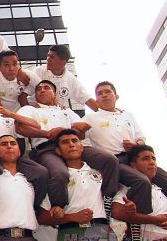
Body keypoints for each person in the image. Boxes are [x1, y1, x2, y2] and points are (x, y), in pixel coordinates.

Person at [16, 80, 119, 213]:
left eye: (46, 88)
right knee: (60, 174)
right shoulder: (28, 109)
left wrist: (63, 131)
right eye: (38, 89)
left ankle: (108, 198)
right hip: (48, 148)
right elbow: (21, 128)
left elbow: (81, 133)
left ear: (55, 94)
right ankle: (59, 207)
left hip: (73, 144)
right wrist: (47, 134)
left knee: (109, 160)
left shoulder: (67, 111)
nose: (42, 90)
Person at [37, 130, 128, 241]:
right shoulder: (55, 180)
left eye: (74, 141)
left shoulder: (101, 174)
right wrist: (71, 217)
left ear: (82, 147)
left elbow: (118, 196)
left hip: (100, 230)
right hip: (70, 233)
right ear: (58, 151)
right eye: (65, 142)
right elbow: (41, 217)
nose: (71, 145)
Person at [84, 81, 167, 216]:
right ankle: (140, 218)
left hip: (137, 158)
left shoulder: (127, 115)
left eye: (107, 92)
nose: (104, 95)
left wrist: (136, 144)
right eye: (100, 94)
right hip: (116, 162)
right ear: (97, 100)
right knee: (141, 181)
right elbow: (82, 141)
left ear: (116, 96)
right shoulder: (90, 118)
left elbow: (141, 137)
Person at [111, 145, 167, 241]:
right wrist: (156, 220)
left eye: (154, 159)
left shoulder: (164, 191)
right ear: (133, 166)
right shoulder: (127, 189)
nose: (152, 162)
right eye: (146, 159)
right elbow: (116, 211)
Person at [30, 45, 98, 111]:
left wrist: (105, 114)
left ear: (63, 62)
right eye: (48, 55)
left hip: (54, 114)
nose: (48, 59)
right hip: (33, 111)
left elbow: (87, 99)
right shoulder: (38, 71)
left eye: (52, 57)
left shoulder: (71, 80)